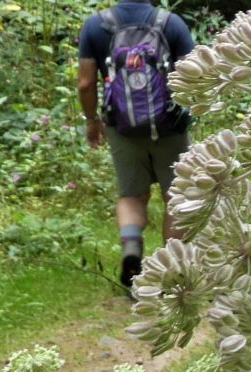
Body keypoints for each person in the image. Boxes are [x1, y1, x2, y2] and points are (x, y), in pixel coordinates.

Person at [76, 0, 195, 291]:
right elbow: (195, 74)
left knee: (131, 196)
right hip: (168, 127)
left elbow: (84, 83)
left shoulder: (95, 25)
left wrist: (92, 120)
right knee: (177, 198)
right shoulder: (171, 23)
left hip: (122, 127)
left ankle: (131, 249)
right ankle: (173, 272)